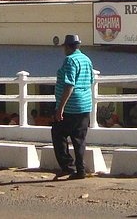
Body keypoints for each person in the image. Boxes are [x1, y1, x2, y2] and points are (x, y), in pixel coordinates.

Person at [51, 34, 94, 180]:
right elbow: (91, 80)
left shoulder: (70, 60)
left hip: (71, 106)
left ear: (68, 47)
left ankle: (67, 166)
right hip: (85, 105)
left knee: (58, 133)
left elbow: (69, 85)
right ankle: (80, 170)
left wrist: (60, 107)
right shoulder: (87, 59)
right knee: (79, 139)